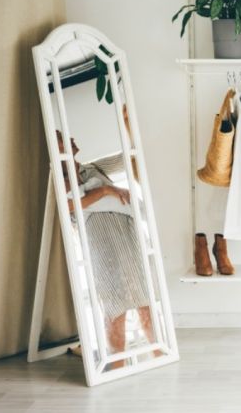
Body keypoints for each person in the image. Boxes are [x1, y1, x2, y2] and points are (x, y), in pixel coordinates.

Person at [56, 131, 158, 368]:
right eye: (61, 136)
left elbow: (128, 156)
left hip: (128, 232)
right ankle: (117, 367)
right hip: (101, 242)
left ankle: (159, 356)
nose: (71, 138)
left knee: (145, 299)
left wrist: (128, 127)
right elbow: (69, 206)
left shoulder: (94, 168)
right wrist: (105, 191)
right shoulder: (59, 180)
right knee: (114, 306)